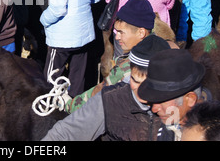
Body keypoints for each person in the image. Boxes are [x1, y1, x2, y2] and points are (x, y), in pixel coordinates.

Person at [42, 34, 171, 141]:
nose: (141, 91)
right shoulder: (109, 101)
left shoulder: (179, 103)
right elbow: (64, 134)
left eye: (149, 84)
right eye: (135, 81)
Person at [138, 49, 207, 141]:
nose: (154, 109)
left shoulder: (215, 134)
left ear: (190, 99)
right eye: (153, 102)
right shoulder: (171, 120)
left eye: (161, 101)